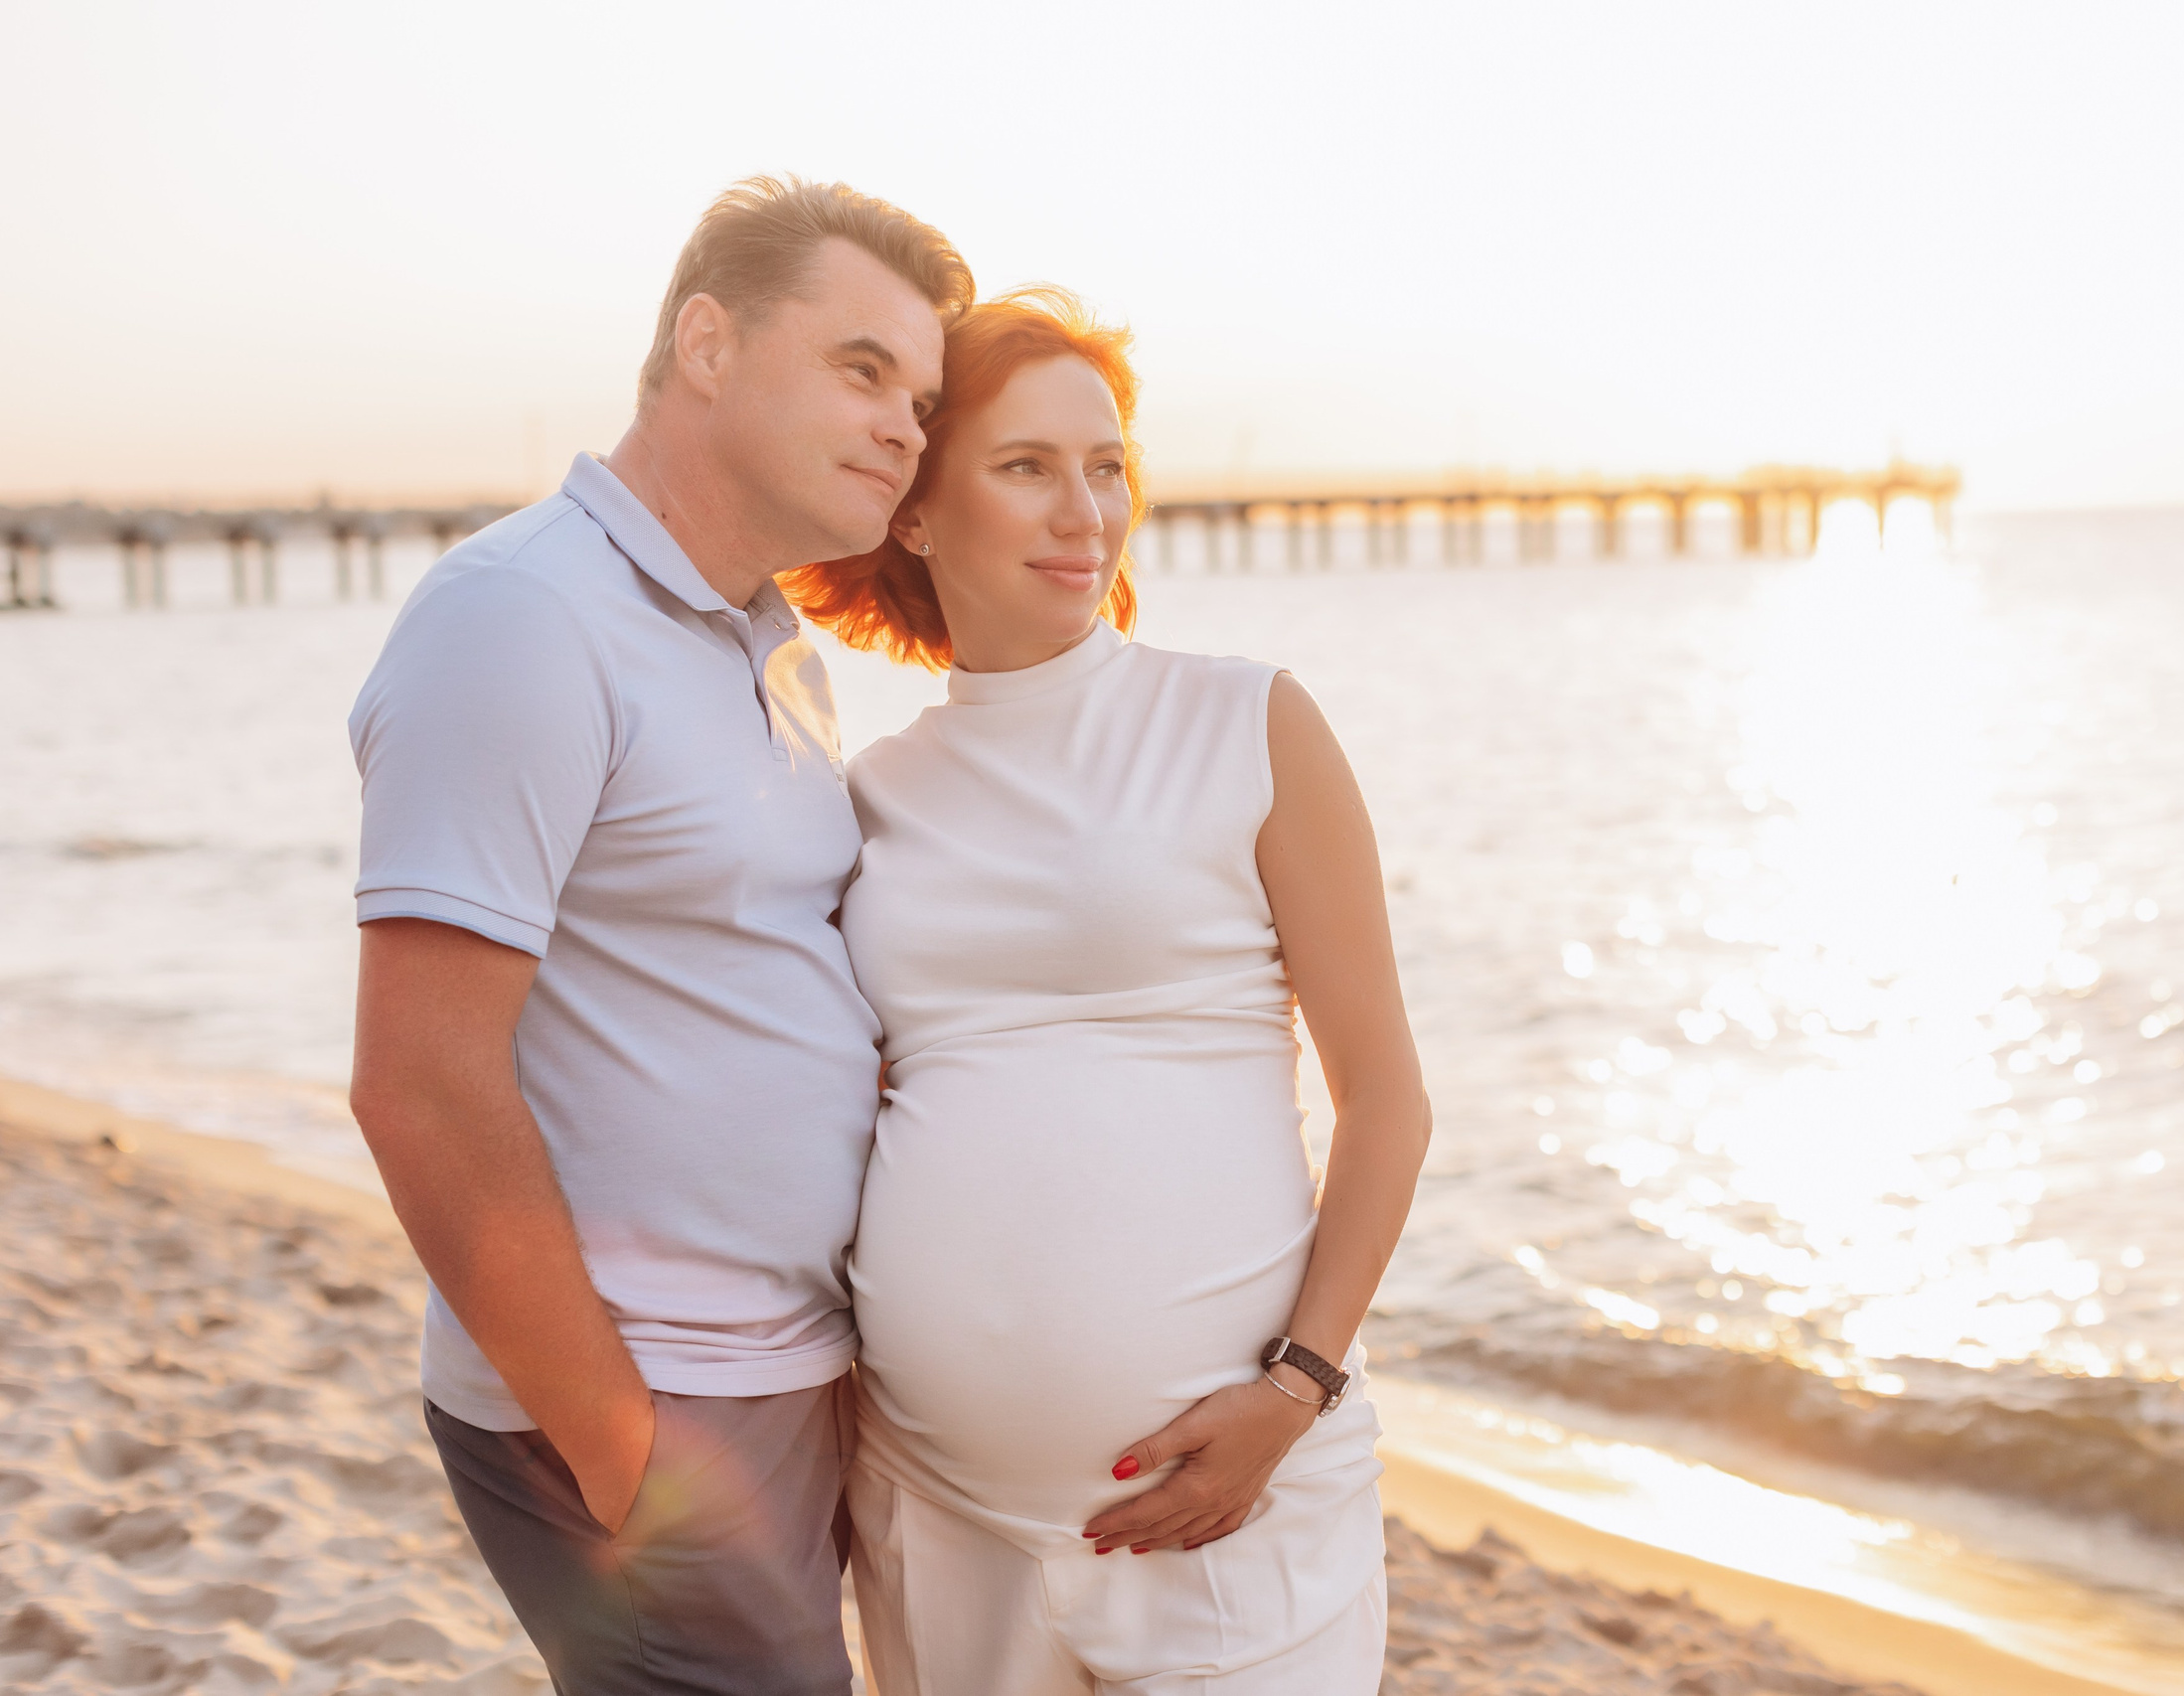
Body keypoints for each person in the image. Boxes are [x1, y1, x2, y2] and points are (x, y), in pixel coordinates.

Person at [345, 176, 970, 1695]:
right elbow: (421, 1082)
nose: (906, 426)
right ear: (706, 343)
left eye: (925, 397)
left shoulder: (775, 648)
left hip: (789, 1371)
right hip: (643, 1391)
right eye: (862, 368)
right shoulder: (524, 616)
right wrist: (623, 1449)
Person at [782, 289, 1432, 1694]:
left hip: (1238, 1509)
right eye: (1026, 467)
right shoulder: (877, 794)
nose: (1085, 510)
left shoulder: (1248, 721)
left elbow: (1387, 1102)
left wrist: (1295, 1392)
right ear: (914, 506)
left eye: (1106, 464)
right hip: (939, 1510)